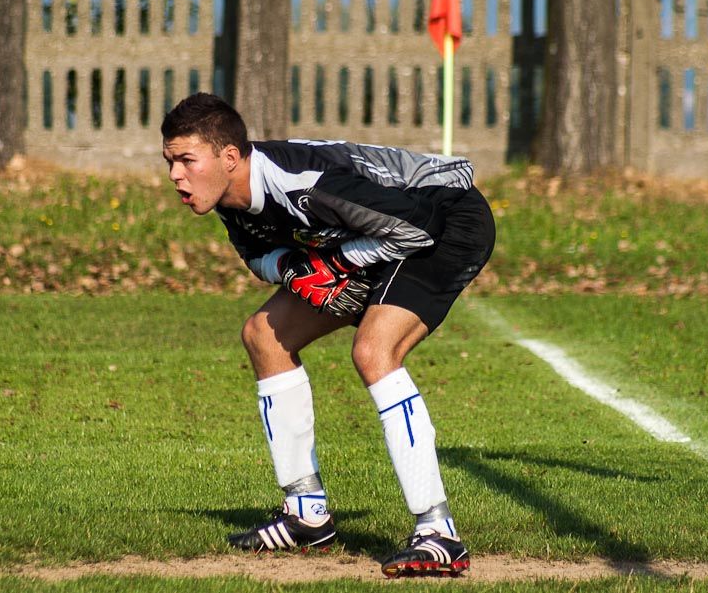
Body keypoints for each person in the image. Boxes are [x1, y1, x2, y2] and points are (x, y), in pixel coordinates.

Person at [160, 93, 495, 578]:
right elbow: (257, 258)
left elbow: (415, 229)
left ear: (229, 157)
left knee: (374, 350)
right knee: (263, 335)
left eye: (187, 160)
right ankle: (306, 514)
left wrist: (334, 265)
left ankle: (438, 533)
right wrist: (298, 267)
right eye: (170, 161)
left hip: (444, 217)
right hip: (379, 237)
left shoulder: (306, 187)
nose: (175, 175)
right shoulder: (229, 195)